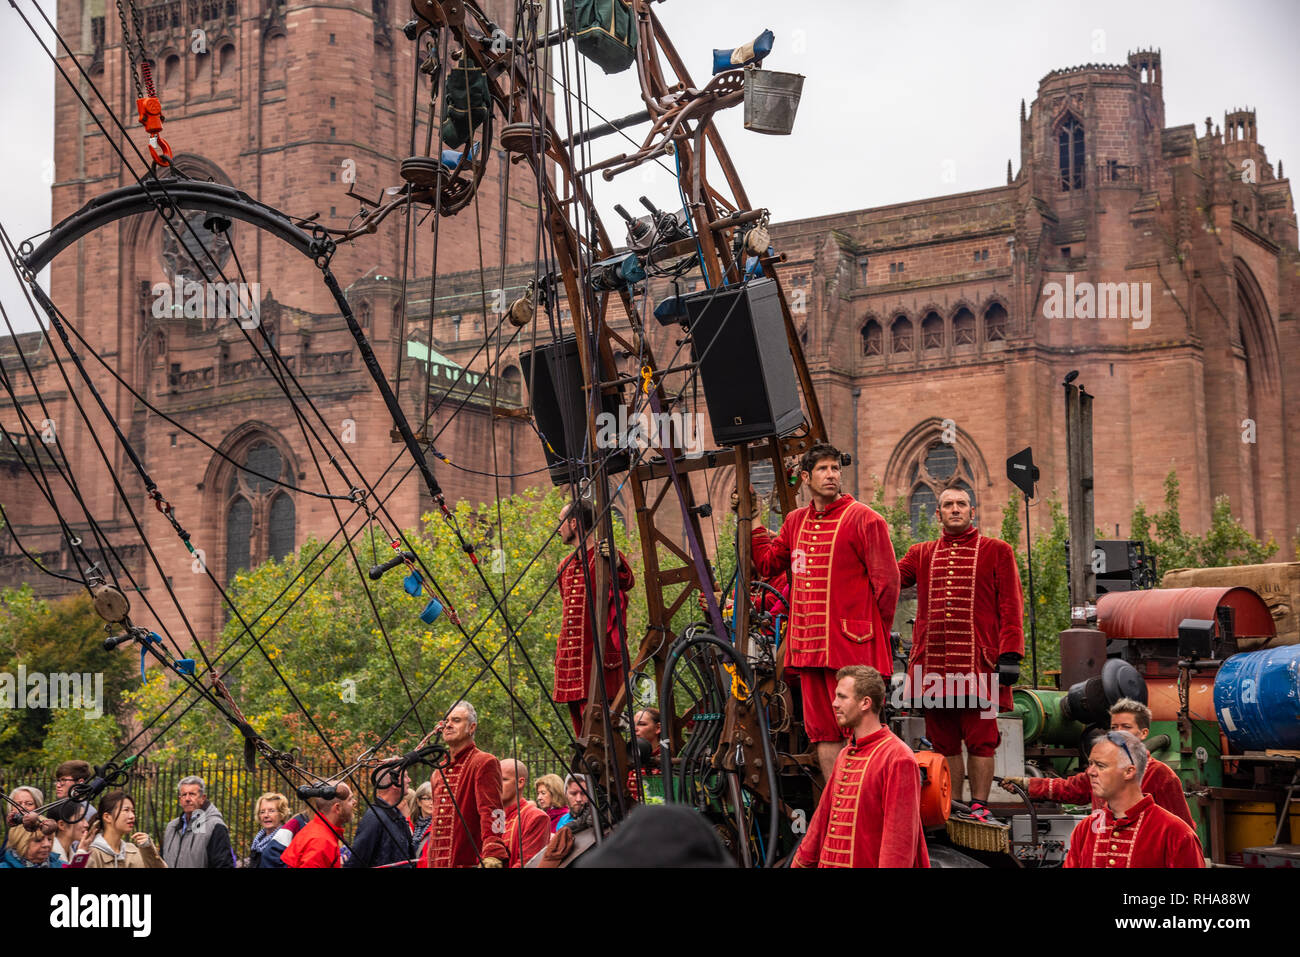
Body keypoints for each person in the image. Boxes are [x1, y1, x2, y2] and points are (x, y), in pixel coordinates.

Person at [751, 443, 901, 782]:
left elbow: (888, 583)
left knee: (861, 727)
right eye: (822, 469)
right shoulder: (794, 521)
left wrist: (875, 631)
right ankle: (840, 803)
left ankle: (865, 801)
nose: (831, 475)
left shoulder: (866, 519)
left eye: (835, 468)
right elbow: (766, 563)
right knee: (823, 732)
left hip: (852, 646)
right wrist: (754, 518)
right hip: (808, 649)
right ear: (806, 477)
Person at [898, 480, 1024, 820]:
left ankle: (980, 806)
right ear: (938, 514)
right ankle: (952, 805)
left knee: (982, 739)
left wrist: (1010, 654)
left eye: (962, 504)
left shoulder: (998, 550)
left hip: (979, 667)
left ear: (972, 511)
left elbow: (1011, 606)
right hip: (933, 668)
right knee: (943, 742)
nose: (955, 509)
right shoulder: (920, 553)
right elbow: (888, 579)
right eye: (949, 505)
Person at [792, 666, 930, 868]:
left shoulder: (898, 758)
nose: (834, 703)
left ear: (865, 703)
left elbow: (898, 842)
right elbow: (821, 820)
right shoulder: (845, 754)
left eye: (842, 697)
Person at [1001, 698, 1195, 827]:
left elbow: (1182, 828)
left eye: (1126, 727)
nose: (1119, 732)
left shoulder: (1160, 774)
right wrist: (1027, 784)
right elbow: (1071, 788)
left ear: (1143, 733)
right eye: (1114, 727)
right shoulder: (1098, 770)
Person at [553, 501, 636, 736]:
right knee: (581, 733)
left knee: (602, 731)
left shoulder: (603, 555)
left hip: (597, 661)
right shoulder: (564, 566)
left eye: (561, 522)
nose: (558, 529)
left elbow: (626, 581)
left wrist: (615, 561)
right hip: (571, 663)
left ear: (574, 523)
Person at [1064, 732, 1204, 868]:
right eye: (1091, 764)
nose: (1090, 772)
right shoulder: (1085, 830)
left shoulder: (1175, 833)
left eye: (1101, 765)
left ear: (1129, 772)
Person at [417, 700, 508, 868]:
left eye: (456, 720)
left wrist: (493, 852)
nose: (449, 725)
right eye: (447, 721)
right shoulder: (438, 772)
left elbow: (494, 812)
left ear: (471, 727)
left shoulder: (483, 762)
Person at [347, 760, 415, 869]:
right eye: (406, 776)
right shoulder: (374, 818)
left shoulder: (396, 815)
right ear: (393, 782)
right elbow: (356, 862)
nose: (409, 780)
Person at [161, 775, 235, 868]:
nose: (187, 799)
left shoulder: (214, 826)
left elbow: (224, 865)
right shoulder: (172, 827)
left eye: (192, 794)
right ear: (180, 799)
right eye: (184, 795)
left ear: (202, 798)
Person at [82, 791, 165, 869]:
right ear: (107, 817)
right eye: (126, 810)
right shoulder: (93, 853)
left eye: (133, 811)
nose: (132, 816)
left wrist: (148, 849)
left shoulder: (132, 851)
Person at [282, 782, 355, 868]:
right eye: (350, 799)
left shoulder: (319, 828)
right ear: (337, 808)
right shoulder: (321, 841)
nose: (354, 802)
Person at [500, 758, 550, 868]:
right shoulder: (494, 816)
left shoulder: (536, 817)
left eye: (503, 779)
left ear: (520, 782)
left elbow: (527, 864)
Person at [627, 707, 663, 800]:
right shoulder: (627, 756)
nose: (634, 729)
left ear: (658, 728)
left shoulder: (667, 757)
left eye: (642, 724)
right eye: (633, 725)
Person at [249, 792, 290, 868]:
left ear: (282, 814)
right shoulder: (258, 840)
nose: (266, 815)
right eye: (262, 812)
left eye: (271, 811)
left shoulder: (285, 840)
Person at [409, 782, 434, 856]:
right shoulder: (408, 823)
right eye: (428, 798)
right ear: (418, 802)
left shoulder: (440, 826)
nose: (432, 802)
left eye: (435, 798)